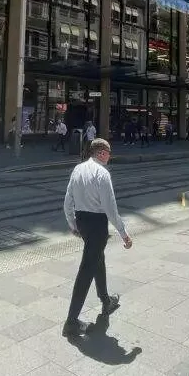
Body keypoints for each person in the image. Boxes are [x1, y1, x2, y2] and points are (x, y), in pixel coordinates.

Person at [62, 138, 131, 338]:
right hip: (97, 223)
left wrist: (73, 224)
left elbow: (67, 201)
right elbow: (110, 208)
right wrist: (124, 233)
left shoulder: (77, 169)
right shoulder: (102, 173)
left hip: (82, 222)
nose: (110, 156)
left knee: (97, 258)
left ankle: (106, 300)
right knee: (87, 269)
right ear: (101, 152)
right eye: (109, 152)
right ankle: (71, 322)